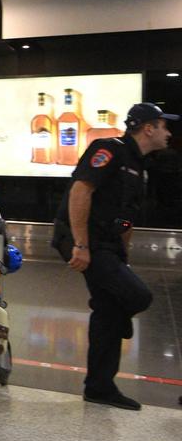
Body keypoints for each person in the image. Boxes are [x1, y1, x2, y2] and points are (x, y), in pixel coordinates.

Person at [52, 103, 167, 411]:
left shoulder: (138, 164)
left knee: (107, 312)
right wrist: (80, 244)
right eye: (163, 126)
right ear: (148, 128)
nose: (168, 133)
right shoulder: (108, 149)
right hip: (87, 240)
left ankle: (100, 388)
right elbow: (81, 191)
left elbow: (127, 217)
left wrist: (124, 256)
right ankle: (120, 324)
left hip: (109, 244)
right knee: (138, 296)